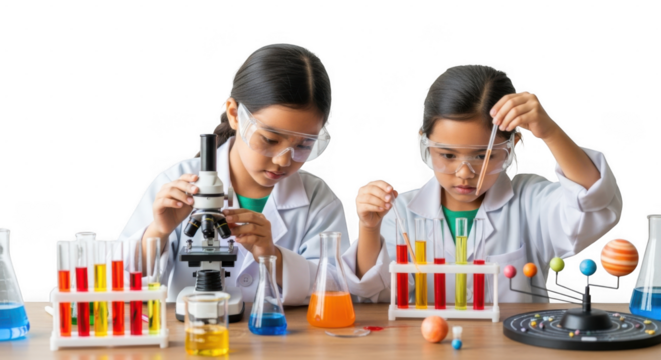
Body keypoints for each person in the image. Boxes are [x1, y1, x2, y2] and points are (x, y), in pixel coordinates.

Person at [344, 64, 622, 303]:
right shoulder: (402, 211)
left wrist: (549, 131)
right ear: (423, 142)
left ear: (512, 145)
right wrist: (369, 228)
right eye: (448, 155)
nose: (465, 173)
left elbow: (594, 203)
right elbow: (373, 295)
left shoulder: (530, 201)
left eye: (482, 155)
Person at [117, 43, 349, 305]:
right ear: (235, 114)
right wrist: (157, 231)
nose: (283, 160)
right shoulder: (174, 181)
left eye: (304, 145)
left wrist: (274, 256)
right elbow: (119, 284)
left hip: (282, 343)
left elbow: (339, 286)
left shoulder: (319, 200)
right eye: (271, 139)